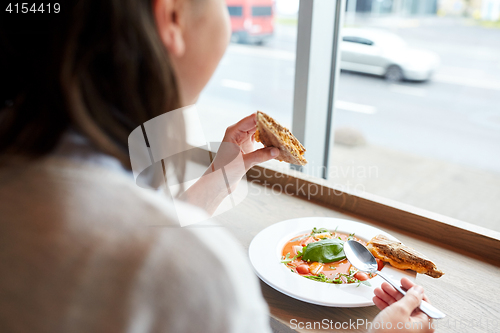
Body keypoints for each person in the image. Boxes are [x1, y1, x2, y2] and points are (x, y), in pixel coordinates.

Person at [0, 0, 434, 332]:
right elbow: (151, 246)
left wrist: (224, 173)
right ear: (171, 17)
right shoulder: (191, 271)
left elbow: (142, 223)